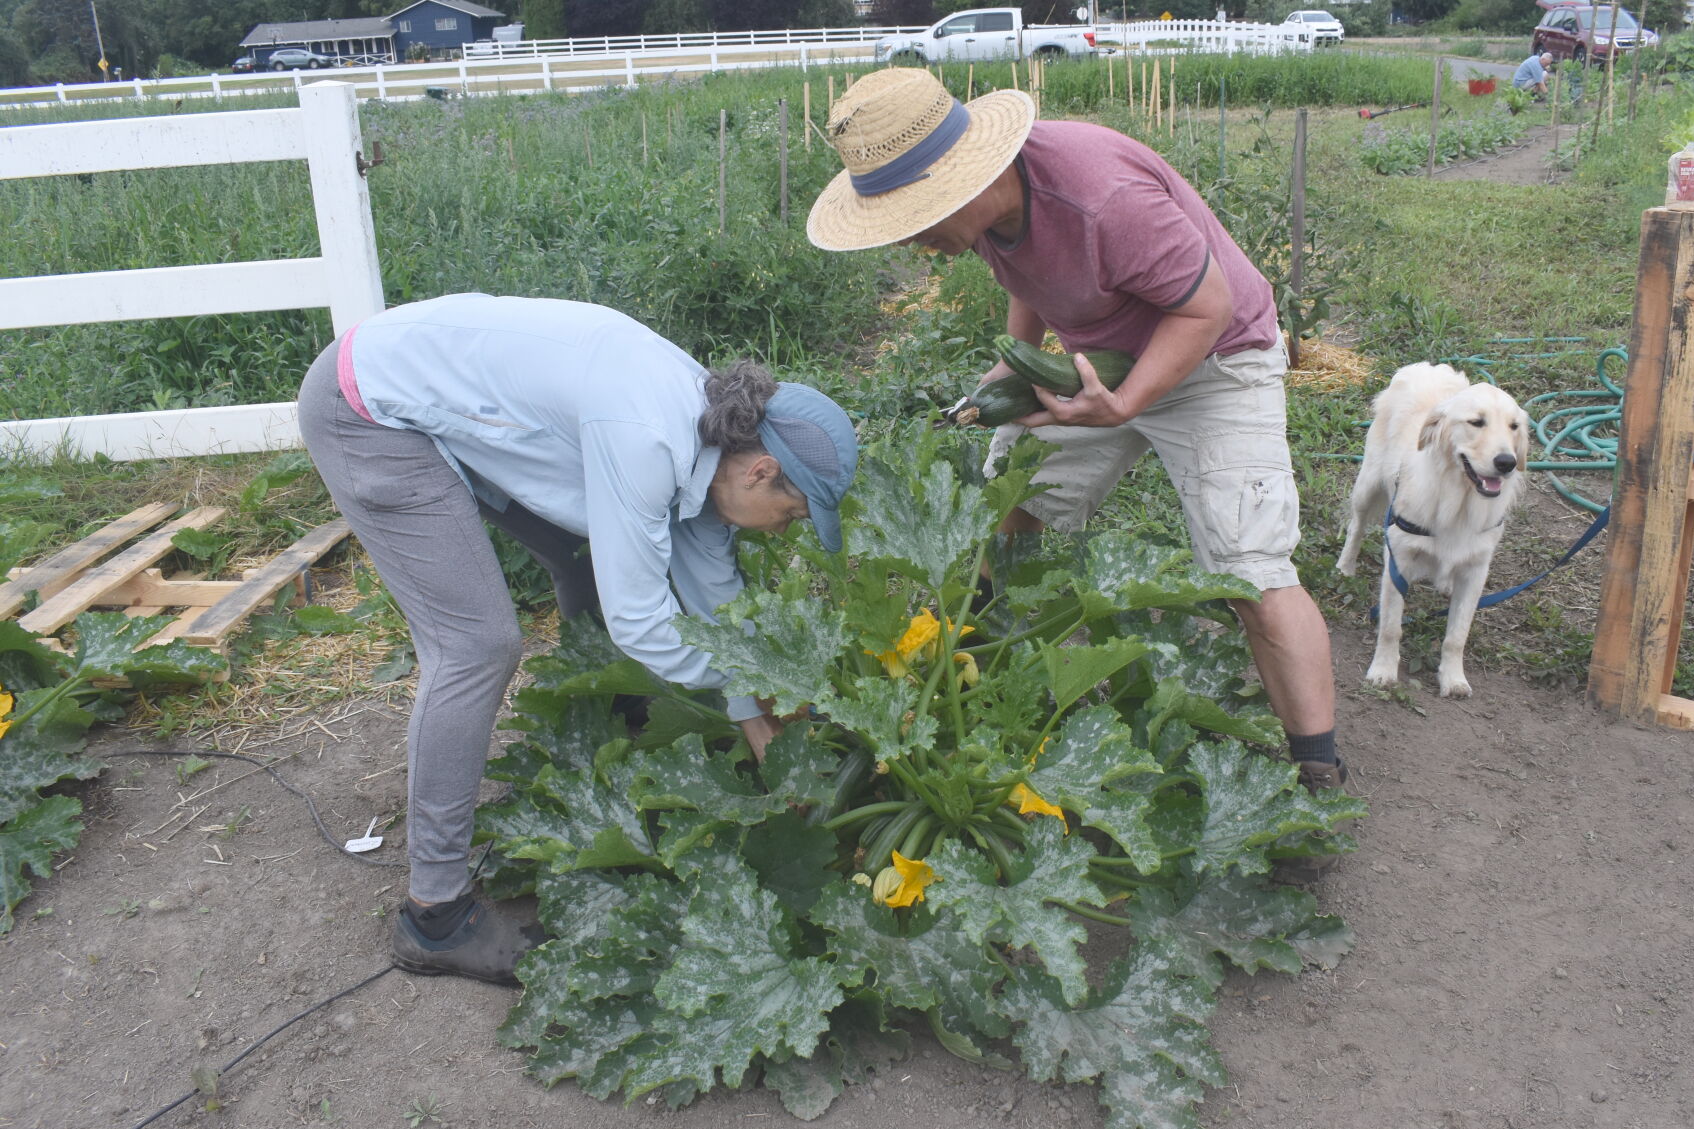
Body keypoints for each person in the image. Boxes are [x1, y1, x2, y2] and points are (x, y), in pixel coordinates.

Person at [805, 69, 1345, 807]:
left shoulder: (1101, 199)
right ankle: (973, 679)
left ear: (957, 183)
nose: (917, 241)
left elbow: (1206, 308)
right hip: (1095, 360)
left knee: (1248, 567)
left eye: (914, 218)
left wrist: (1121, 405)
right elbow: (1030, 274)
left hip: (1218, 356)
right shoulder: (992, 208)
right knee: (1014, 505)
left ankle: (1317, 770)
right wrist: (1013, 365)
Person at [297, 293, 858, 983]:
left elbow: (718, 606)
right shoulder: (649, 438)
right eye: (792, 513)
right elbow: (640, 622)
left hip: (452, 396)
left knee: (578, 556)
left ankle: (604, 720)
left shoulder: (715, 441)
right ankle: (434, 914)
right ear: (760, 470)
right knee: (476, 644)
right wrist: (767, 679)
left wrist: (759, 720)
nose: (785, 528)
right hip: (367, 409)